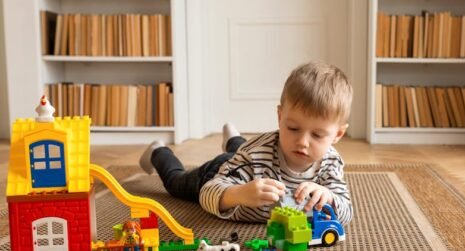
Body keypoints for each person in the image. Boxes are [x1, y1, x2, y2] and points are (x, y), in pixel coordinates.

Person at [139, 62, 353, 225]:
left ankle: (234, 140)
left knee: (242, 152)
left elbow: (346, 212)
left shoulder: (330, 162)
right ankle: (159, 152)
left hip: (244, 159)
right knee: (177, 183)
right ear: (280, 118)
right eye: (293, 129)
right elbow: (208, 192)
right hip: (220, 171)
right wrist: (238, 194)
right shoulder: (254, 154)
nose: (303, 142)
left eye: (317, 135)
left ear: (338, 134)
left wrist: (331, 199)